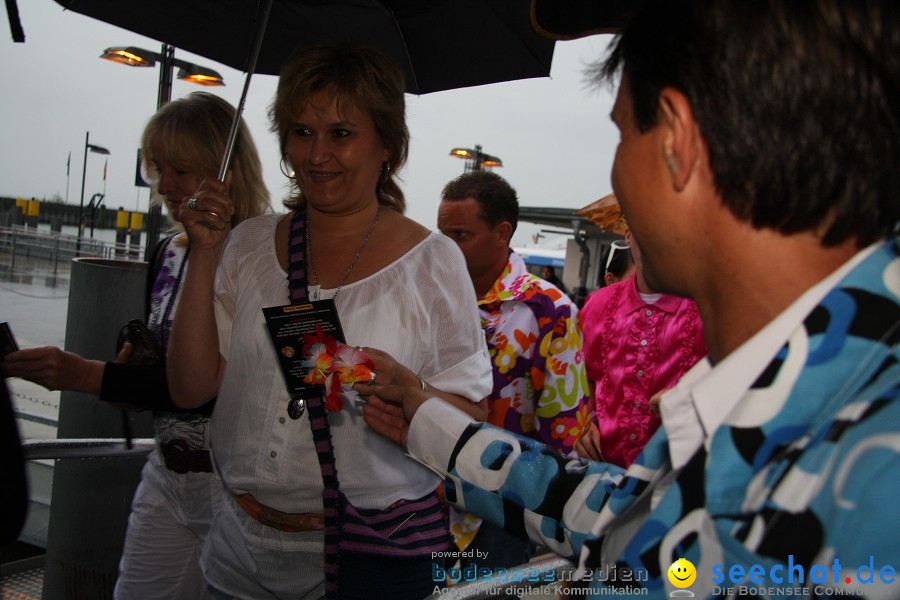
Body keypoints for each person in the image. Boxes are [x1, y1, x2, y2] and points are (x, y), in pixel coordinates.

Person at [360, 1, 900, 597]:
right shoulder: (808, 391)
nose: (616, 175)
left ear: (678, 140)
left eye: (620, 132)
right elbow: (638, 521)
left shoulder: (877, 480)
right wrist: (427, 416)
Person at [166, 44, 492, 600]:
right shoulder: (245, 245)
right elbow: (190, 388)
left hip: (361, 556)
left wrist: (407, 388)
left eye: (341, 133)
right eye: (301, 132)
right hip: (236, 546)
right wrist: (202, 254)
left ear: (387, 144)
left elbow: (471, 417)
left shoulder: (433, 263)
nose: (317, 155)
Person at [2, 92, 271, 598]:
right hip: (167, 472)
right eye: (157, 168)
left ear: (226, 173)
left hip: (235, 489)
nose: (165, 185)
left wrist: (82, 374)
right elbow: (172, 375)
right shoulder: (167, 251)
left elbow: (211, 390)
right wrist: (133, 370)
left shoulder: (259, 259)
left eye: (183, 170)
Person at [437, 171, 591, 582]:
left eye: (460, 235)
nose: (445, 247)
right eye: (441, 234)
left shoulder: (550, 310)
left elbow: (564, 420)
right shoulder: (430, 295)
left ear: (502, 232)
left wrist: (544, 508)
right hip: (424, 493)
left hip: (502, 506)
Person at [576, 229, 706, 468]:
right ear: (628, 233)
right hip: (599, 471)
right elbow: (583, 380)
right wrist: (583, 426)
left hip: (672, 475)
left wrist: (692, 394)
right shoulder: (597, 304)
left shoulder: (708, 309)